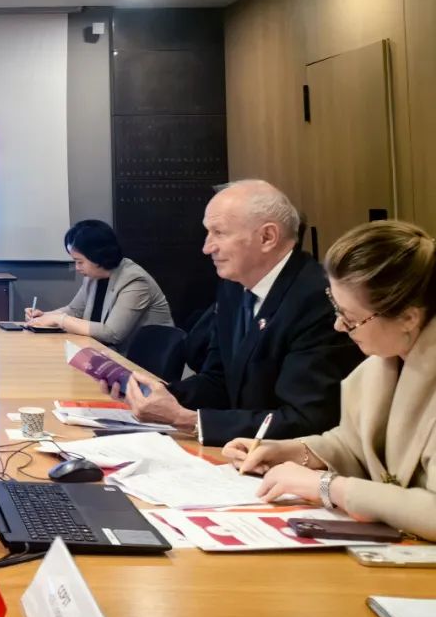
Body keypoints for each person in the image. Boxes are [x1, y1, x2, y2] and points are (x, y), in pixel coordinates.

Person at [224, 220, 436, 541]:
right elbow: (353, 446)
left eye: (351, 317)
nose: (339, 326)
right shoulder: (380, 365)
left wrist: (328, 487)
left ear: (408, 317)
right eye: (336, 309)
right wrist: (288, 452)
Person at [115, 180, 360, 445]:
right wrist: (156, 395)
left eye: (219, 233)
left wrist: (189, 421)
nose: (207, 247)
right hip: (237, 450)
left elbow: (307, 420)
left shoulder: (319, 299)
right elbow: (219, 380)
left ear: (267, 237)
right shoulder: (233, 287)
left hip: (288, 461)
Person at [24, 219, 173, 349]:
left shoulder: (135, 281)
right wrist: (43, 317)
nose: (77, 267)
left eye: (80, 261)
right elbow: (75, 310)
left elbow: (112, 333)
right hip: (105, 354)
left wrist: (59, 320)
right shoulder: (94, 276)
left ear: (98, 256)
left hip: (140, 362)